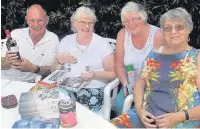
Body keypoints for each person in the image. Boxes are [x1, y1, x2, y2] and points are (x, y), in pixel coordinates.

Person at [111, 7, 200, 128]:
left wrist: (177, 117)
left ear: (189, 29)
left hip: (182, 121)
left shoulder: (196, 57)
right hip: (146, 117)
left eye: (179, 27)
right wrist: (139, 110)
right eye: (167, 28)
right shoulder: (154, 54)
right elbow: (140, 83)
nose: (173, 31)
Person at [50, 6, 115, 112]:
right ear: (74, 23)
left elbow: (113, 73)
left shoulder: (102, 44)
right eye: (83, 22)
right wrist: (59, 60)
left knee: (77, 112)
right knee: (51, 104)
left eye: (90, 23)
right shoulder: (66, 41)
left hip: (92, 88)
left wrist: (94, 75)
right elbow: (53, 71)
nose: (87, 26)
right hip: (66, 86)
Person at [114, 1, 164, 115]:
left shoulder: (158, 34)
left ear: (143, 17)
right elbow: (118, 64)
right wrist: (125, 84)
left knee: (149, 109)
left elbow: (163, 67)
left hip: (152, 85)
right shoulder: (122, 34)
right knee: (119, 103)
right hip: (130, 82)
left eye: (134, 19)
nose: (130, 24)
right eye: (126, 21)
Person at [1, 4, 59, 83]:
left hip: (26, 84)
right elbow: (1, 65)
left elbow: (51, 69)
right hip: (4, 80)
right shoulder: (15, 34)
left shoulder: (53, 39)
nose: (36, 25)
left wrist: (32, 68)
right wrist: (7, 61)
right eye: (32, 20)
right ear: (26, 20)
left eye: (40, 20)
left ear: (47, 20)